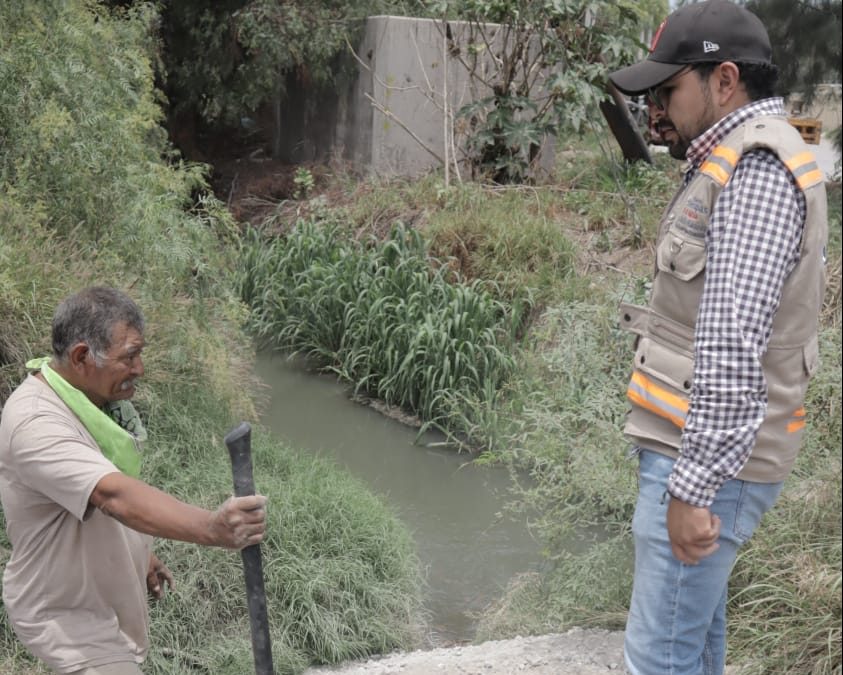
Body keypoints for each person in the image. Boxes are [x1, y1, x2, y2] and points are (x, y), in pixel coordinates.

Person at [608, 2, 828, 674]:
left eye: (668, 90)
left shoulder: (755, 171)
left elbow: (734, 348)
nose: (655, 112)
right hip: (695, 450)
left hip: (707, 463)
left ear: (723, 79)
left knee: (658, 657)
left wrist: (691, 488)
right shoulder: (728, 160)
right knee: (693, 646)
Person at [0, 286, 268, 675]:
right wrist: (213, 528)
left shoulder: (89, 401)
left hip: (100, 602)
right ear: (80, 357)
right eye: (130, 357)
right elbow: (113, 494)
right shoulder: (35, 422)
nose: (140, 369)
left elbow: (93, 495)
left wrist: (140, 554)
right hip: (66, 616)